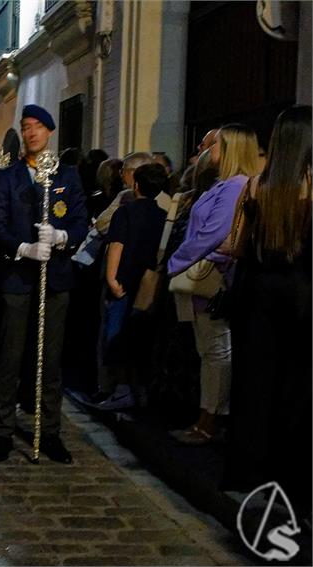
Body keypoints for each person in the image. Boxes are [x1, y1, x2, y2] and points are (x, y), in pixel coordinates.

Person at [0, 104, 88, 463]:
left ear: (49, 132)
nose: (30, 134)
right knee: (10, 356)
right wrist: (23, 247)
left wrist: (60, 237)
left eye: (37, 127)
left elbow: (79, 222)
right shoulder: (8, 177)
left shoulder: (67, 176)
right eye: (25, 127)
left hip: (55, 277)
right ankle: (2, 429)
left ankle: (49, 431)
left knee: (50, 359)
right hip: (18, 277)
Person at [224, 106, 311, 514]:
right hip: (301, 294)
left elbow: (235, 246)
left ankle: (247, 469)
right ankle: (293, 475)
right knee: (296, 388)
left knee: (253, 384)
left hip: (256, 291)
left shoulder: (256, 185)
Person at [166, 123, 261, 445]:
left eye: (215, 145)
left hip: (213, 277)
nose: (207, 151)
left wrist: (175, 262)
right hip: (203, 274)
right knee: (209, 350)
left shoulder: (235, 187)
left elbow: (213, 235)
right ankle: (208, 415)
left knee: (215, 351)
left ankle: (210, 420)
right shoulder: (223, 185)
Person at [93, 163, 169, 410]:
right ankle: (141, 392)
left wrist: (112, 279)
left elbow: (117, 246)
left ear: (136, 185)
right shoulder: (162, 216)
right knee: (141, 339)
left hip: (124, 284)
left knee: (116, 337)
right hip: (147, 284)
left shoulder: (125, 213)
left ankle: (122, 390)